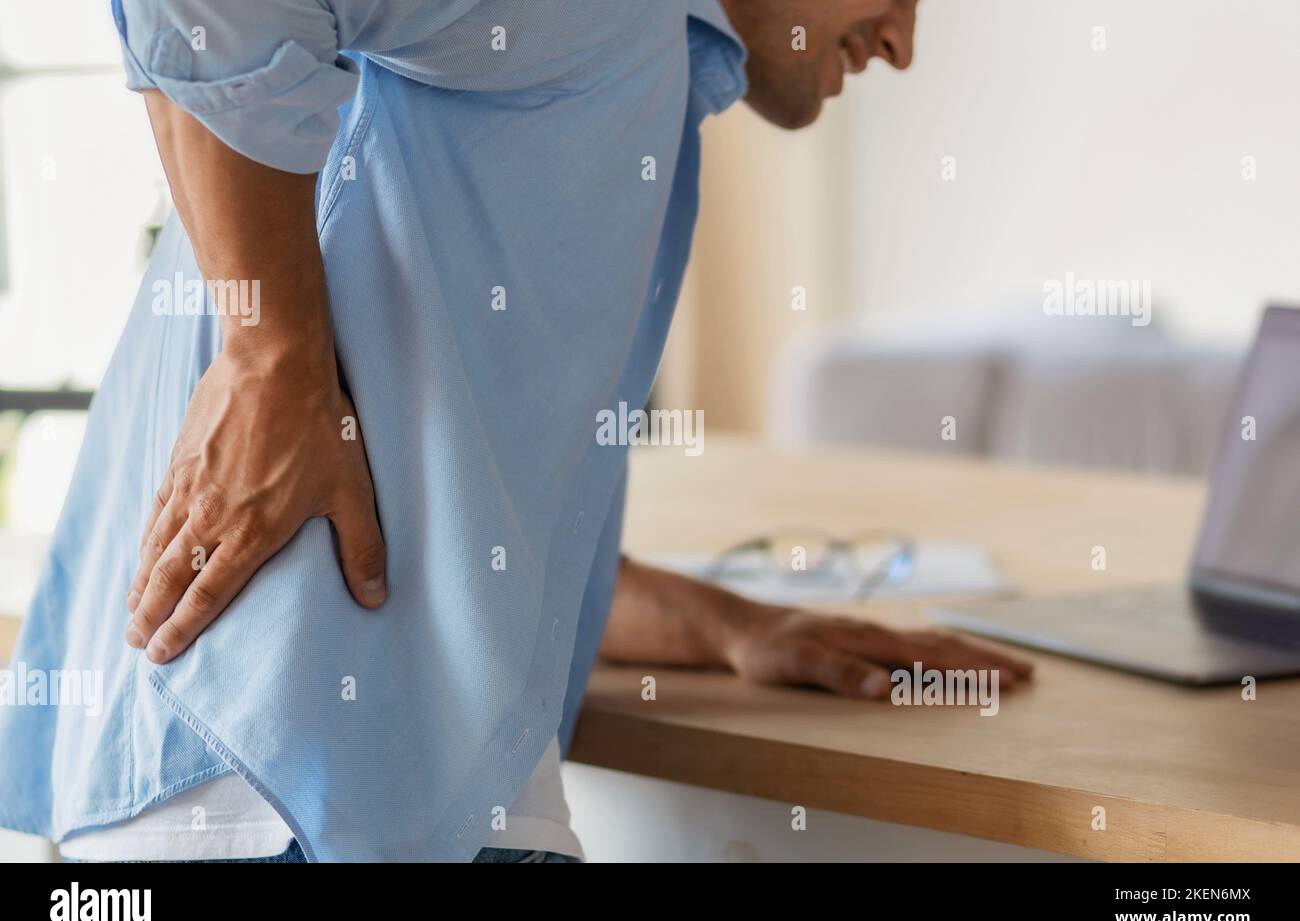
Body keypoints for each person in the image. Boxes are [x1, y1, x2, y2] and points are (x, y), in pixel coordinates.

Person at [0, 0, 1027, 863]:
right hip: (316, 800)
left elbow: (451, 534)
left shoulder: (608, 59)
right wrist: (270, 355)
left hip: (231, 789)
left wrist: (728, 626)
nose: (902, 38)